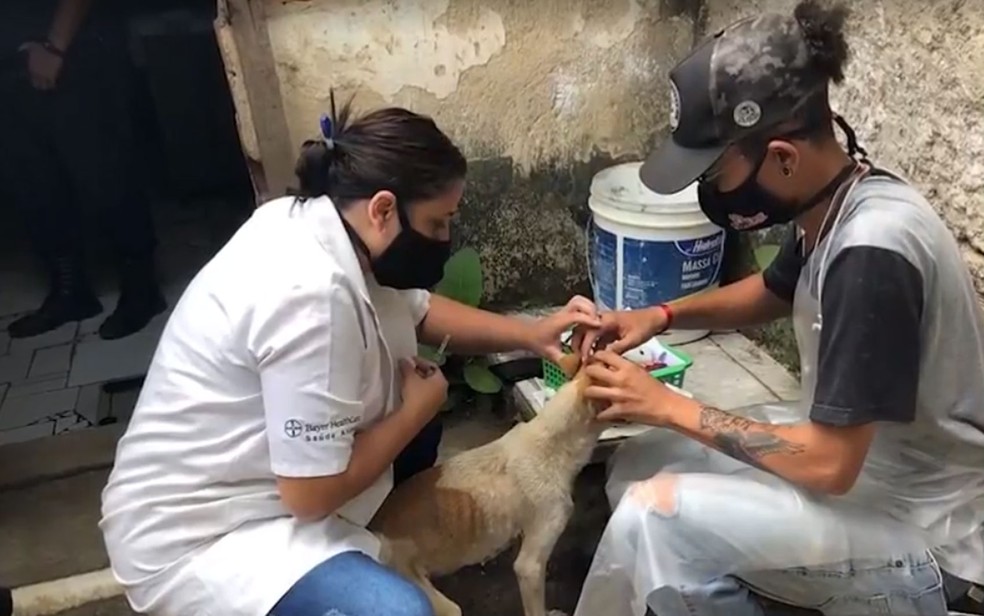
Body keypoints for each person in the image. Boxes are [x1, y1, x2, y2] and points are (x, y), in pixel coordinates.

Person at [99, 98, 600, 616]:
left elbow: (419, 310)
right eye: (437, 224)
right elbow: (309, 497)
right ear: (384, 209)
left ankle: (388, 546)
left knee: (410, 425)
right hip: (203, 534)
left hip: (263, 484)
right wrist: (414, 410)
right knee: (400, 610)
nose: (446, 239)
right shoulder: (309, 295)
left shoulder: (324, 224)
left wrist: (532, 334)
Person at [570, 2, 984, 615]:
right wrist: (657, 316)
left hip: (925, 538)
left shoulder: (872, 252)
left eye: (715, 168)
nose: (706, 187)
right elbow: (775, 288)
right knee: (644, 456)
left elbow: (829, 463)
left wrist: (666, 404)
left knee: (653, 516)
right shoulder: (835, 201)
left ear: (784, 157)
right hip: (870, 484)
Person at [0, 0, 164, 340]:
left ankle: (142, 289)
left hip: (75, 51)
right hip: (12, 59)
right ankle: (70, 292)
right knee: (34, 181)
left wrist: (54, 47)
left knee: (104, 171)